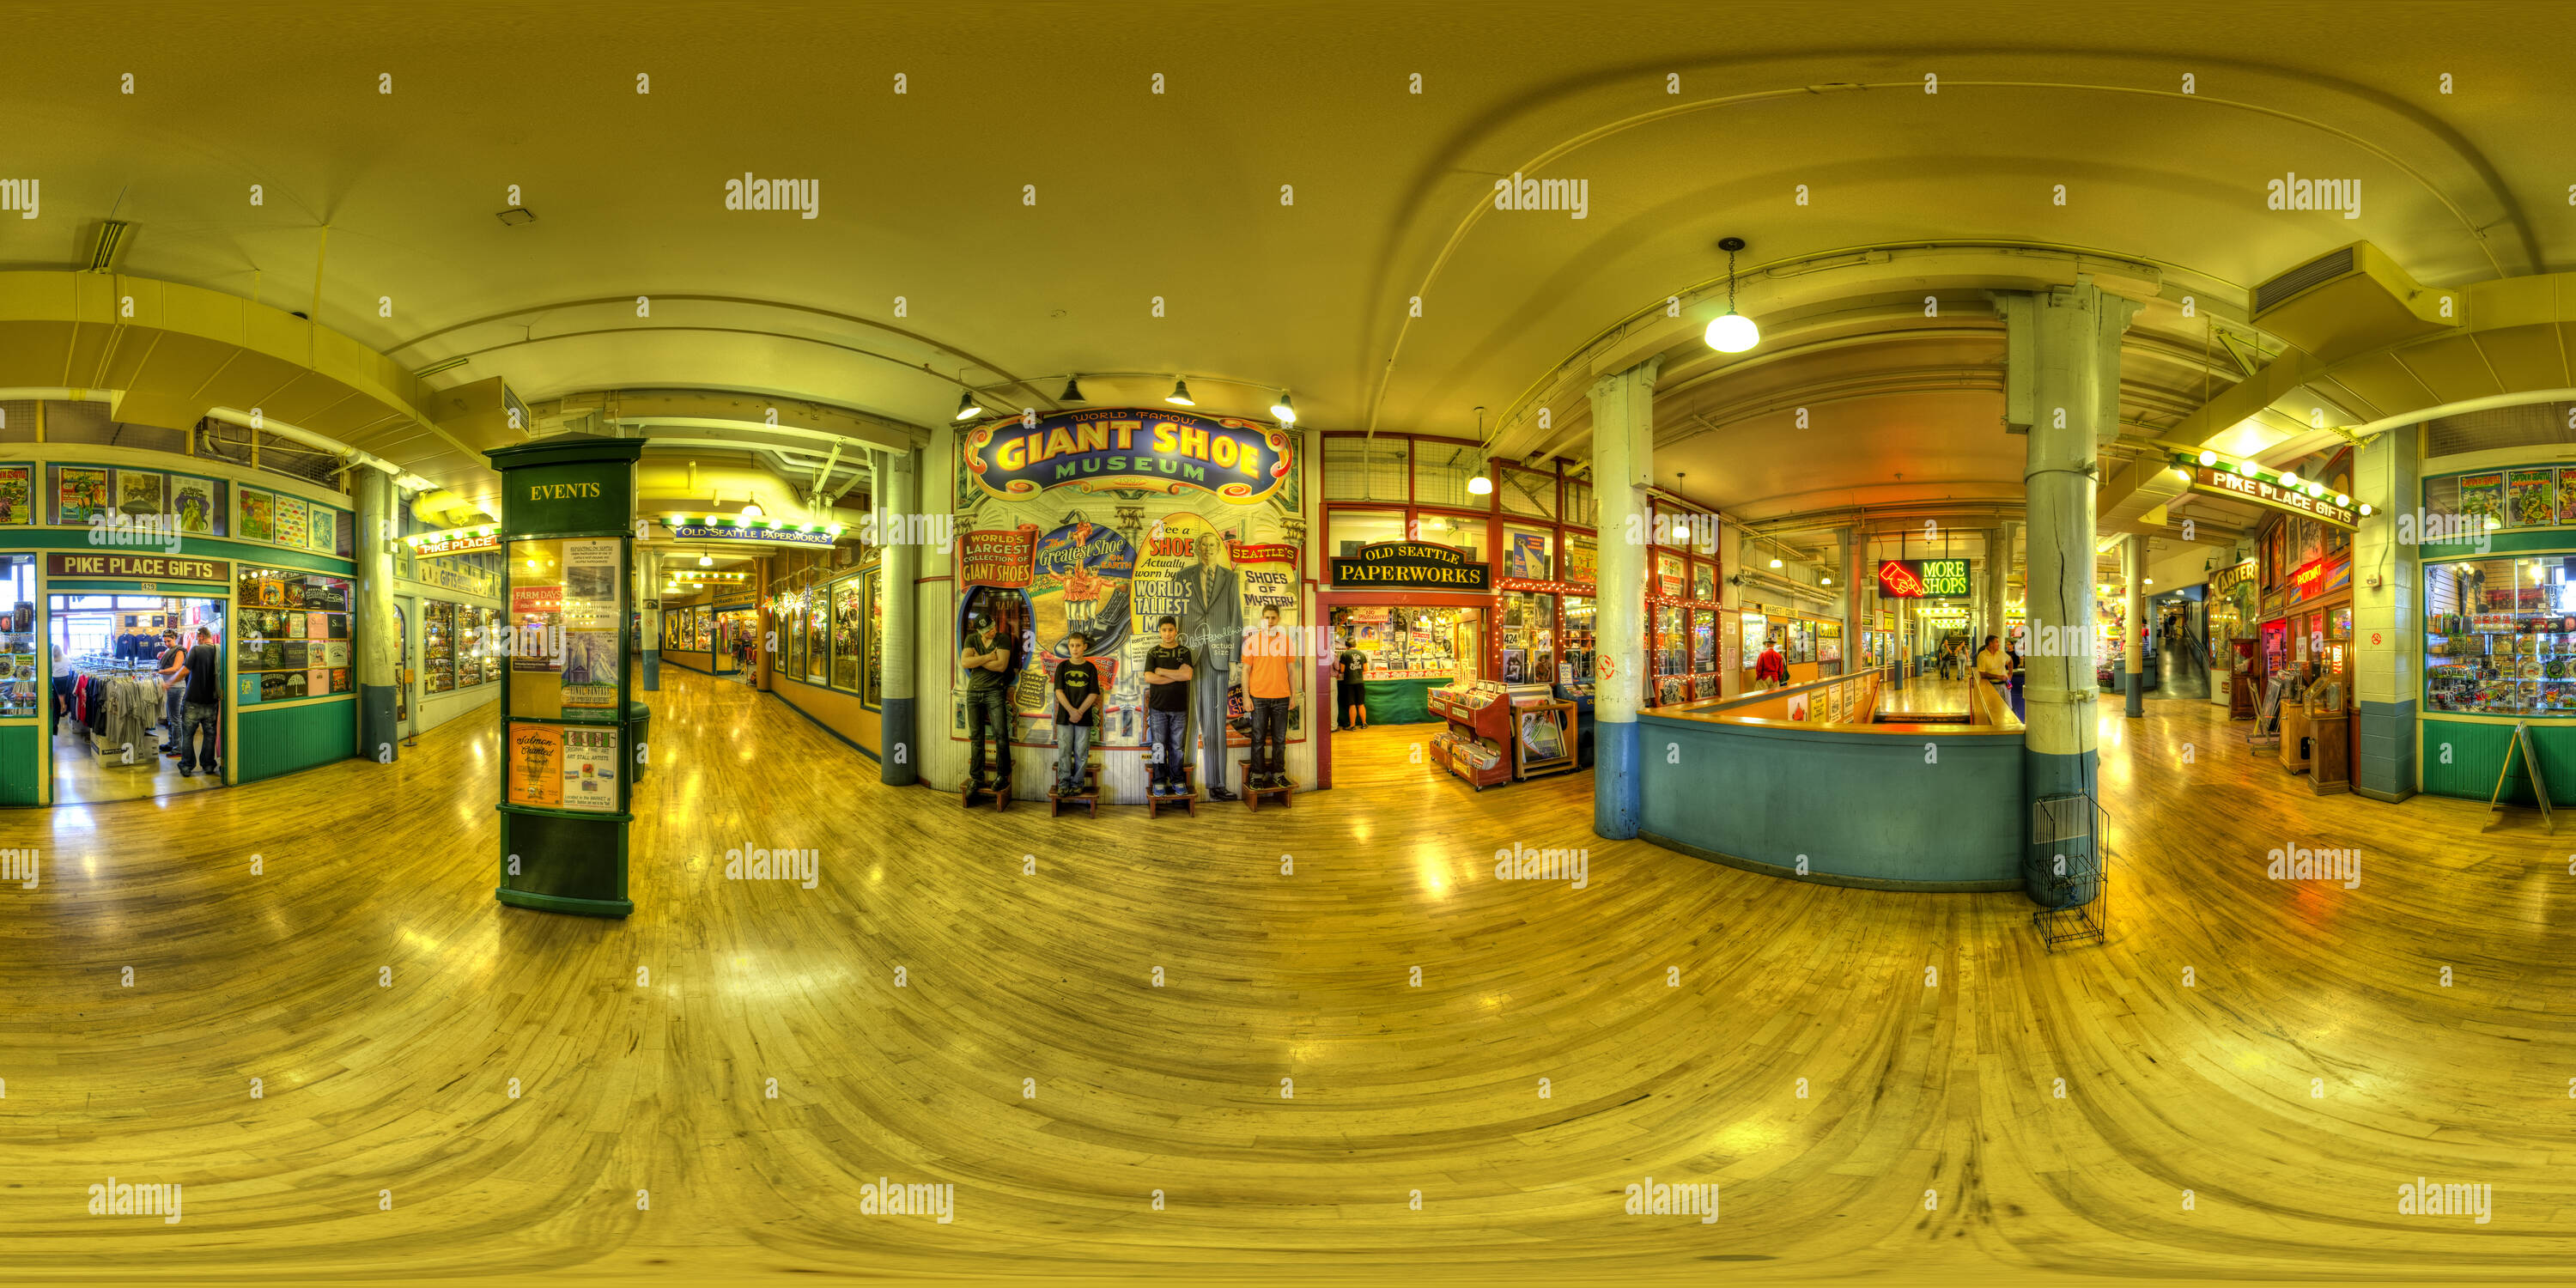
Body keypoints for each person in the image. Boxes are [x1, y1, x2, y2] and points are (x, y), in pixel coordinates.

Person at [1173, 532, 1241, 800]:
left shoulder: (1230, 578)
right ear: (1197, 548)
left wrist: (1234, 659)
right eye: (1204, 545)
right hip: (1188, 655)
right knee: (1185, 720)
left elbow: (1236, 618)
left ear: (1218, 549)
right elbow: (1175, 613)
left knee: (1213, 722)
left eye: (1213, 545)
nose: (1208, 549)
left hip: (1218, 656)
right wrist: (1175, 656)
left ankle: (1217, 784)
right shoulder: (1183, 576)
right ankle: (1183, 780)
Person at [1141, 615, 1195, 796]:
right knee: (1158, 746)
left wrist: (1162, 672)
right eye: (1164, 630)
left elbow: (1187, 676)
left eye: (1170, 630)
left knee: (1177, 748)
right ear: (1159, 631)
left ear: (1176, 631)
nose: (1167, 633)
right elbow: (1149, 677)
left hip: (1180, 708)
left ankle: (1178, 779)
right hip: (1157, 709)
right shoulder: (1153, 652)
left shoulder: (1184, 652)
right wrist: (1175, 676)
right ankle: (1159, 781)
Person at [1241, 604, 1294, 789]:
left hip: (1282, 697)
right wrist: (1246, 698)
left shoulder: (1287, 641)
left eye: (1273, 618)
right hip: (1259, 697)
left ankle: (1279, 774)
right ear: (1262, 619)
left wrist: (1293, 696)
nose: (1270, 621)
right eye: (1266, 618)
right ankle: (1256, 775)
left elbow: (1291, 671)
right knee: (1258, 738)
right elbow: (1245, 671)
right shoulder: (1251, 642)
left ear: (1278, 619)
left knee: (1280, 740)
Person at [958, 612, 1012, 792]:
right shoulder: (971, 639)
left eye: (993, 627)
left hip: (995, 691)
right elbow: (965, 662)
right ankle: (977, 777)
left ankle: (1002, 775)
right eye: (988, 630)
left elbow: (1001, 666)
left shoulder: (1003, 639)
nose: (992, 631)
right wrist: (989, 657)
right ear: (979, 631)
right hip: (973, 693)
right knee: (976, 737)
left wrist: (977, 661)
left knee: (1001, 735)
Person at [1050, 632, 1101, 795]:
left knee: (1081, 752)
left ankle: (1077, 783)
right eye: (1072, 645)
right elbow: (1058, 691)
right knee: (1064, 751)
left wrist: (1079, 712)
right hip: (1065, 717)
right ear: (1068, 646)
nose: (1075, 649)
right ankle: (1064, 783)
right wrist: (1072, 711)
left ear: (1084, 647)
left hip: (1084, 717)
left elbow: (1093, 693)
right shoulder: (1062, 667)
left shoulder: (1090, 668)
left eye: (1078, 645)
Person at [177, 625, 222, 779]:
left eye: (197, 637)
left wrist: (169, 682)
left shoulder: (196, 650)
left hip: (193, 701)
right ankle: (208, 764)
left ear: (201, 636)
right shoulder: (220, 651)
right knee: (210, 734)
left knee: (188, 735)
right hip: (212, 700)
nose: (196, 639)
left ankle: (187, 766)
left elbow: (185, 670)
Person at [154, 629, 185, 756]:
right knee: (171, 719)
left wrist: (159, 672)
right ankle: (172, 743)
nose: (167, 643)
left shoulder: (180, 651)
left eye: (169, 641)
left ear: (175, 638)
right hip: (170, 687)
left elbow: (176, 669)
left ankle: (178, 748)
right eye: (164, 641)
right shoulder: (169, 650)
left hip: (176, 687)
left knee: (176, 719)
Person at [1335, 630, 1368, 731]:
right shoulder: (1362, 654)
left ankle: (1352, 726)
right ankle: (1364, 724)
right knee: (1361, 704)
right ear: (1355, 644)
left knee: (1352, 704)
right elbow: (1366, 669)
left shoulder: (1345, 655)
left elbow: (1342, 670)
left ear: (1346, 646)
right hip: (1360, 682)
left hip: (1349, 683)